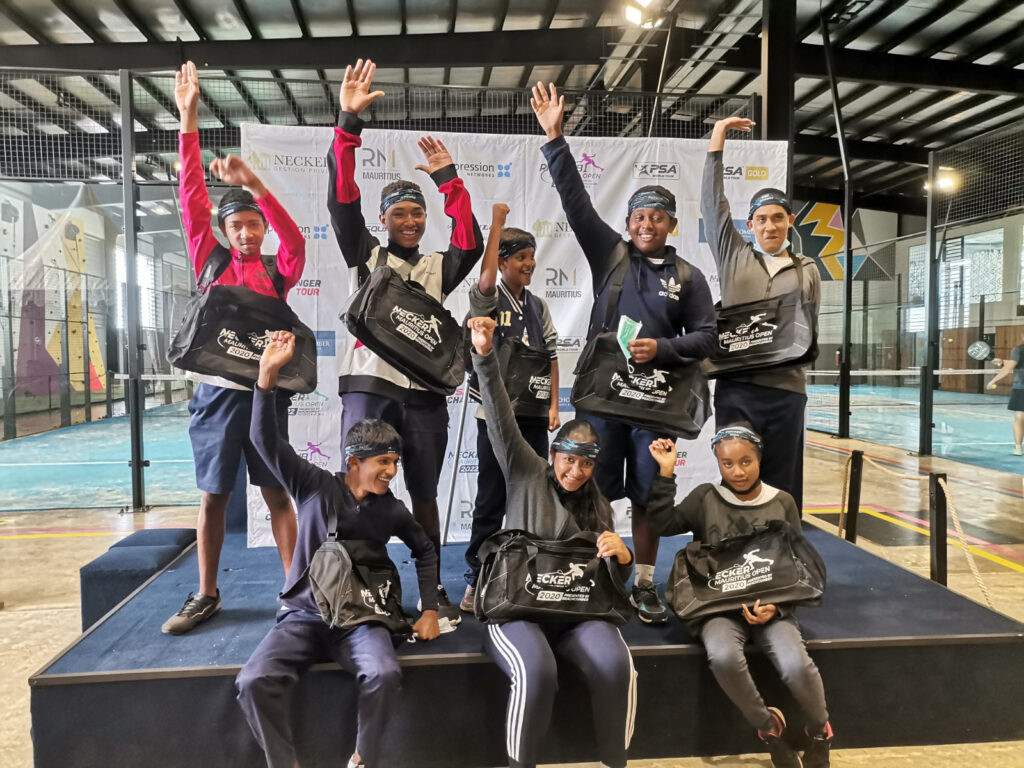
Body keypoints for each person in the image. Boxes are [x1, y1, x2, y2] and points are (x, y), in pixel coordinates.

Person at [531, 81, 717, 624]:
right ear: (629, 222)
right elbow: (576, 202)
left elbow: (709, 338)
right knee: (595, 487)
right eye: (638, 217)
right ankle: (593, 571)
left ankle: (644, 582)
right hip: (603, 402)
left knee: (651, 493)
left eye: (656, 217)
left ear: (671, 225)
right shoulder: (610, 255)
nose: (645, 225)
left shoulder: (689, 276)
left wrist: (662, 347)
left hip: (656, 408)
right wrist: (555, 139)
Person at [236, 331, 441, 768]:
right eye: (383, 462)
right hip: (303, 616)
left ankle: (362, 759)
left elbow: (425, 549)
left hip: (362, 620)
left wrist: (429, 610)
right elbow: (265, 441)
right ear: (354, 462)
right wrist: (266, 378)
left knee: (384, 672)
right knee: (253, 680)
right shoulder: (314, 486)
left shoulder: (393, 510)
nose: (391, 471)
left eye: (395, 462)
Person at [327, 58, 483, 627]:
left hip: (424, 396)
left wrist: (449, 181)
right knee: (360, 490)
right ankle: (349, 581)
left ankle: (430, 590)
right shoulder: (365, 254)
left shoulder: (440, 266)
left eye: (418, 213)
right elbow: (340, 201)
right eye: (400, 213)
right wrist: (348, 123)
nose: (411, 221)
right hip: (369, 388)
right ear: (384, 219)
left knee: (424, 494)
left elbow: (471, 240)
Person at [163, 61, 305, 635]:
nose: (247, 232)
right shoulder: (211, 261)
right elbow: (191, 196)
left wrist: (257, 187)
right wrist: (188, 119)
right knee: (213, 499)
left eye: (254, 224)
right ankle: (206, 593)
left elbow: (295, 238)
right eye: (237, 226)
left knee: (277, 496)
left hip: (266, 398)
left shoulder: (278, 269)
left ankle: (296, 593)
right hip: (216, 399)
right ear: (223, 232)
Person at [468, 315, 637, 768]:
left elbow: (611, 583)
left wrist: (623, 558)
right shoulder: (526, 471)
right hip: (518, 608)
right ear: (553, 453)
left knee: (618, 665)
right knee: (537, 673)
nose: (575, 472)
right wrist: (484, 356)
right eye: (568, 460)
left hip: (575, 612)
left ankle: (615, 761)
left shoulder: (598, 506)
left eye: (585, 464)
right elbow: (500, 416)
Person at [647, 425, 833, 768]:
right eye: (727, 463)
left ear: (759, 459)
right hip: (718, 606)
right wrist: (666, 473)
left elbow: (796, 565)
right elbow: (662, 524)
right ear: (718, 463)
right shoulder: (705, 497)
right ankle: (769, 728)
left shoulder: (782, 501)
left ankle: (820, 731)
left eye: (746, 461)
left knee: (795, 664)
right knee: (723, 657)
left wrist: (778, 606)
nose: (738, 471)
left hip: (770, 606)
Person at [701, 116, 821, 512]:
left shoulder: (808, 269)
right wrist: (717, 139)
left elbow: (807, 330)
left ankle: (784, 544)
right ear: (750, 225)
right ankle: (735, 543)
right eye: (762, 219)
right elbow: (712, 204)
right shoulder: (733, 255)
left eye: (778, 218)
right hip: (737, 391)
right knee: (737, 479)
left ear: (790, 221)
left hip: (787, 392)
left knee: (783, 483)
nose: (770, 226)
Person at [461, 203, 561, 613]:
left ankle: (528, 570)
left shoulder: (537, 305)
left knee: (534, 494)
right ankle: (477, 577)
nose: (529, 263)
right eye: (520, 257)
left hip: (534, 414)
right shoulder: (488, 300)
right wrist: (497, 226)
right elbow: (484, 281)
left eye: (531, 256)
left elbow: (551, 355)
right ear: (502, 262)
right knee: (491, 497)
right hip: (496, 417)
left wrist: (554, 406)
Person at [987, 344, 1024, 455]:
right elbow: (1017, 363)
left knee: (1020, 418)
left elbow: (1009, 367)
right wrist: (1003, 361)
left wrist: (993, 381)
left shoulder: (1019, 349)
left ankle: (1018, 448)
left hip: (1021, 387)